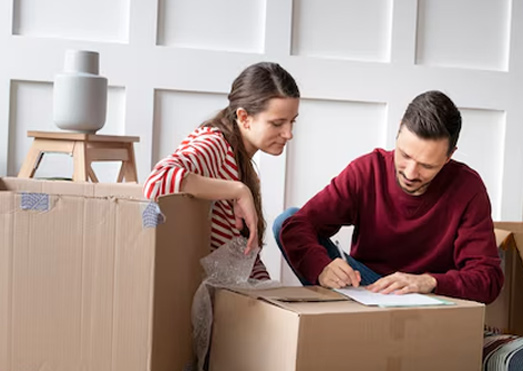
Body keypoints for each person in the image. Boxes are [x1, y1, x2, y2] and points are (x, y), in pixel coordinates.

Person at [274, 90, 503, 303]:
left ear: (449, 156)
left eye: (427, 166)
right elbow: (296, 225)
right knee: (286, 220)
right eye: (405, 155)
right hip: (367, 288)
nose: (411, 173)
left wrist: (428, 282)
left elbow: (488, 279)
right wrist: (321, 267)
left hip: (427, 300)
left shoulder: (468, 188)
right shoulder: (367, 171)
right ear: (399, 129)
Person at [144, 62, 300, 280]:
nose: (289, 134)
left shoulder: (243, 167)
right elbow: (158, 181)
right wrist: (238, 190)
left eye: (292, 122)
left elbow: (246, 258)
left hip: (228, 297)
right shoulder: (214, 144)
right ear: (244, 118)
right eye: (277, 123)